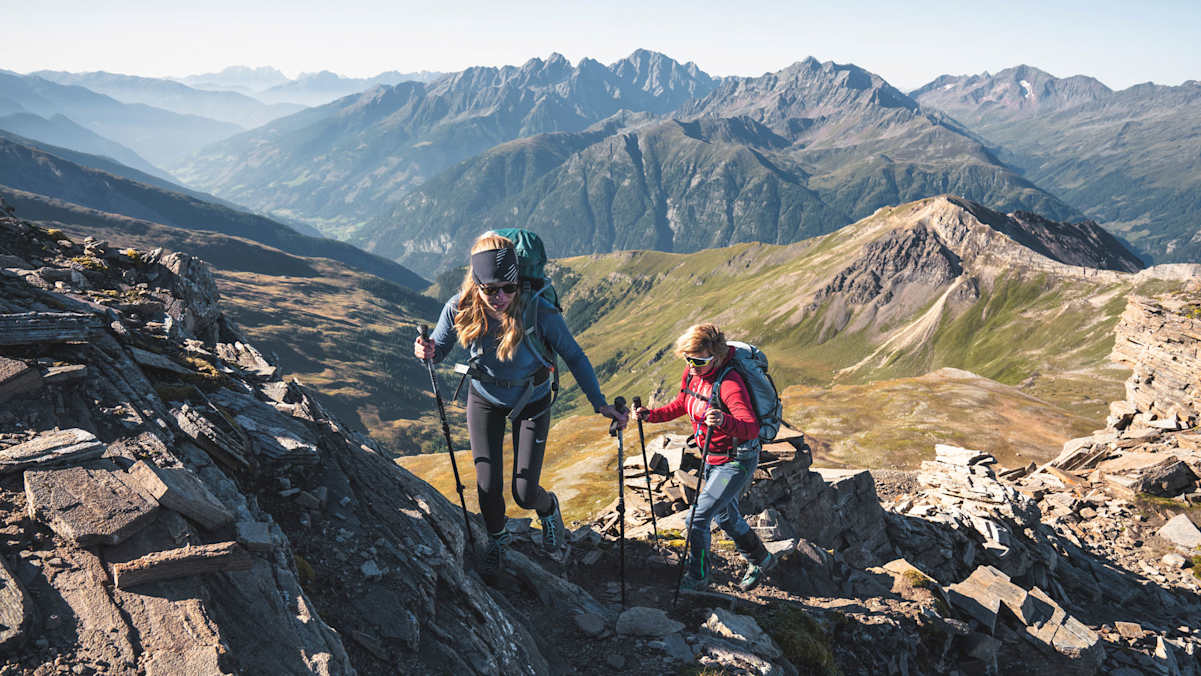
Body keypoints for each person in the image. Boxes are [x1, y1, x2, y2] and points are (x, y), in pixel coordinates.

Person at [414, 232, 627, 583]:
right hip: (484, 397)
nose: (500, 297)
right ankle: (498, 541)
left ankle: (548, 508)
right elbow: (436, 349)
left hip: (533, 399)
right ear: (476, 284)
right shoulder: (459, 307)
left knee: (525, 493)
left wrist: (599, 403)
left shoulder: (538, 310)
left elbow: (574, 355)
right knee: (487, 486)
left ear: (518, 283)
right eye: (491, 289)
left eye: (508, 288)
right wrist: (424, 350)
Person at [633, 324, 777, 592]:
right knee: (724, 516)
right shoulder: (692, 375)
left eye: (699, 361)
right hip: (712, 458)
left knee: (696, 519)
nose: (692, 365)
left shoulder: (730, 385)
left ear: (717, 356)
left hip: (734, 463)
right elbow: (682, 404)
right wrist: (651, 415)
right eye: (687, 359)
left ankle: (697, 577)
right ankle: (762, 559)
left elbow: (750, 428)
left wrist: (723, 421)